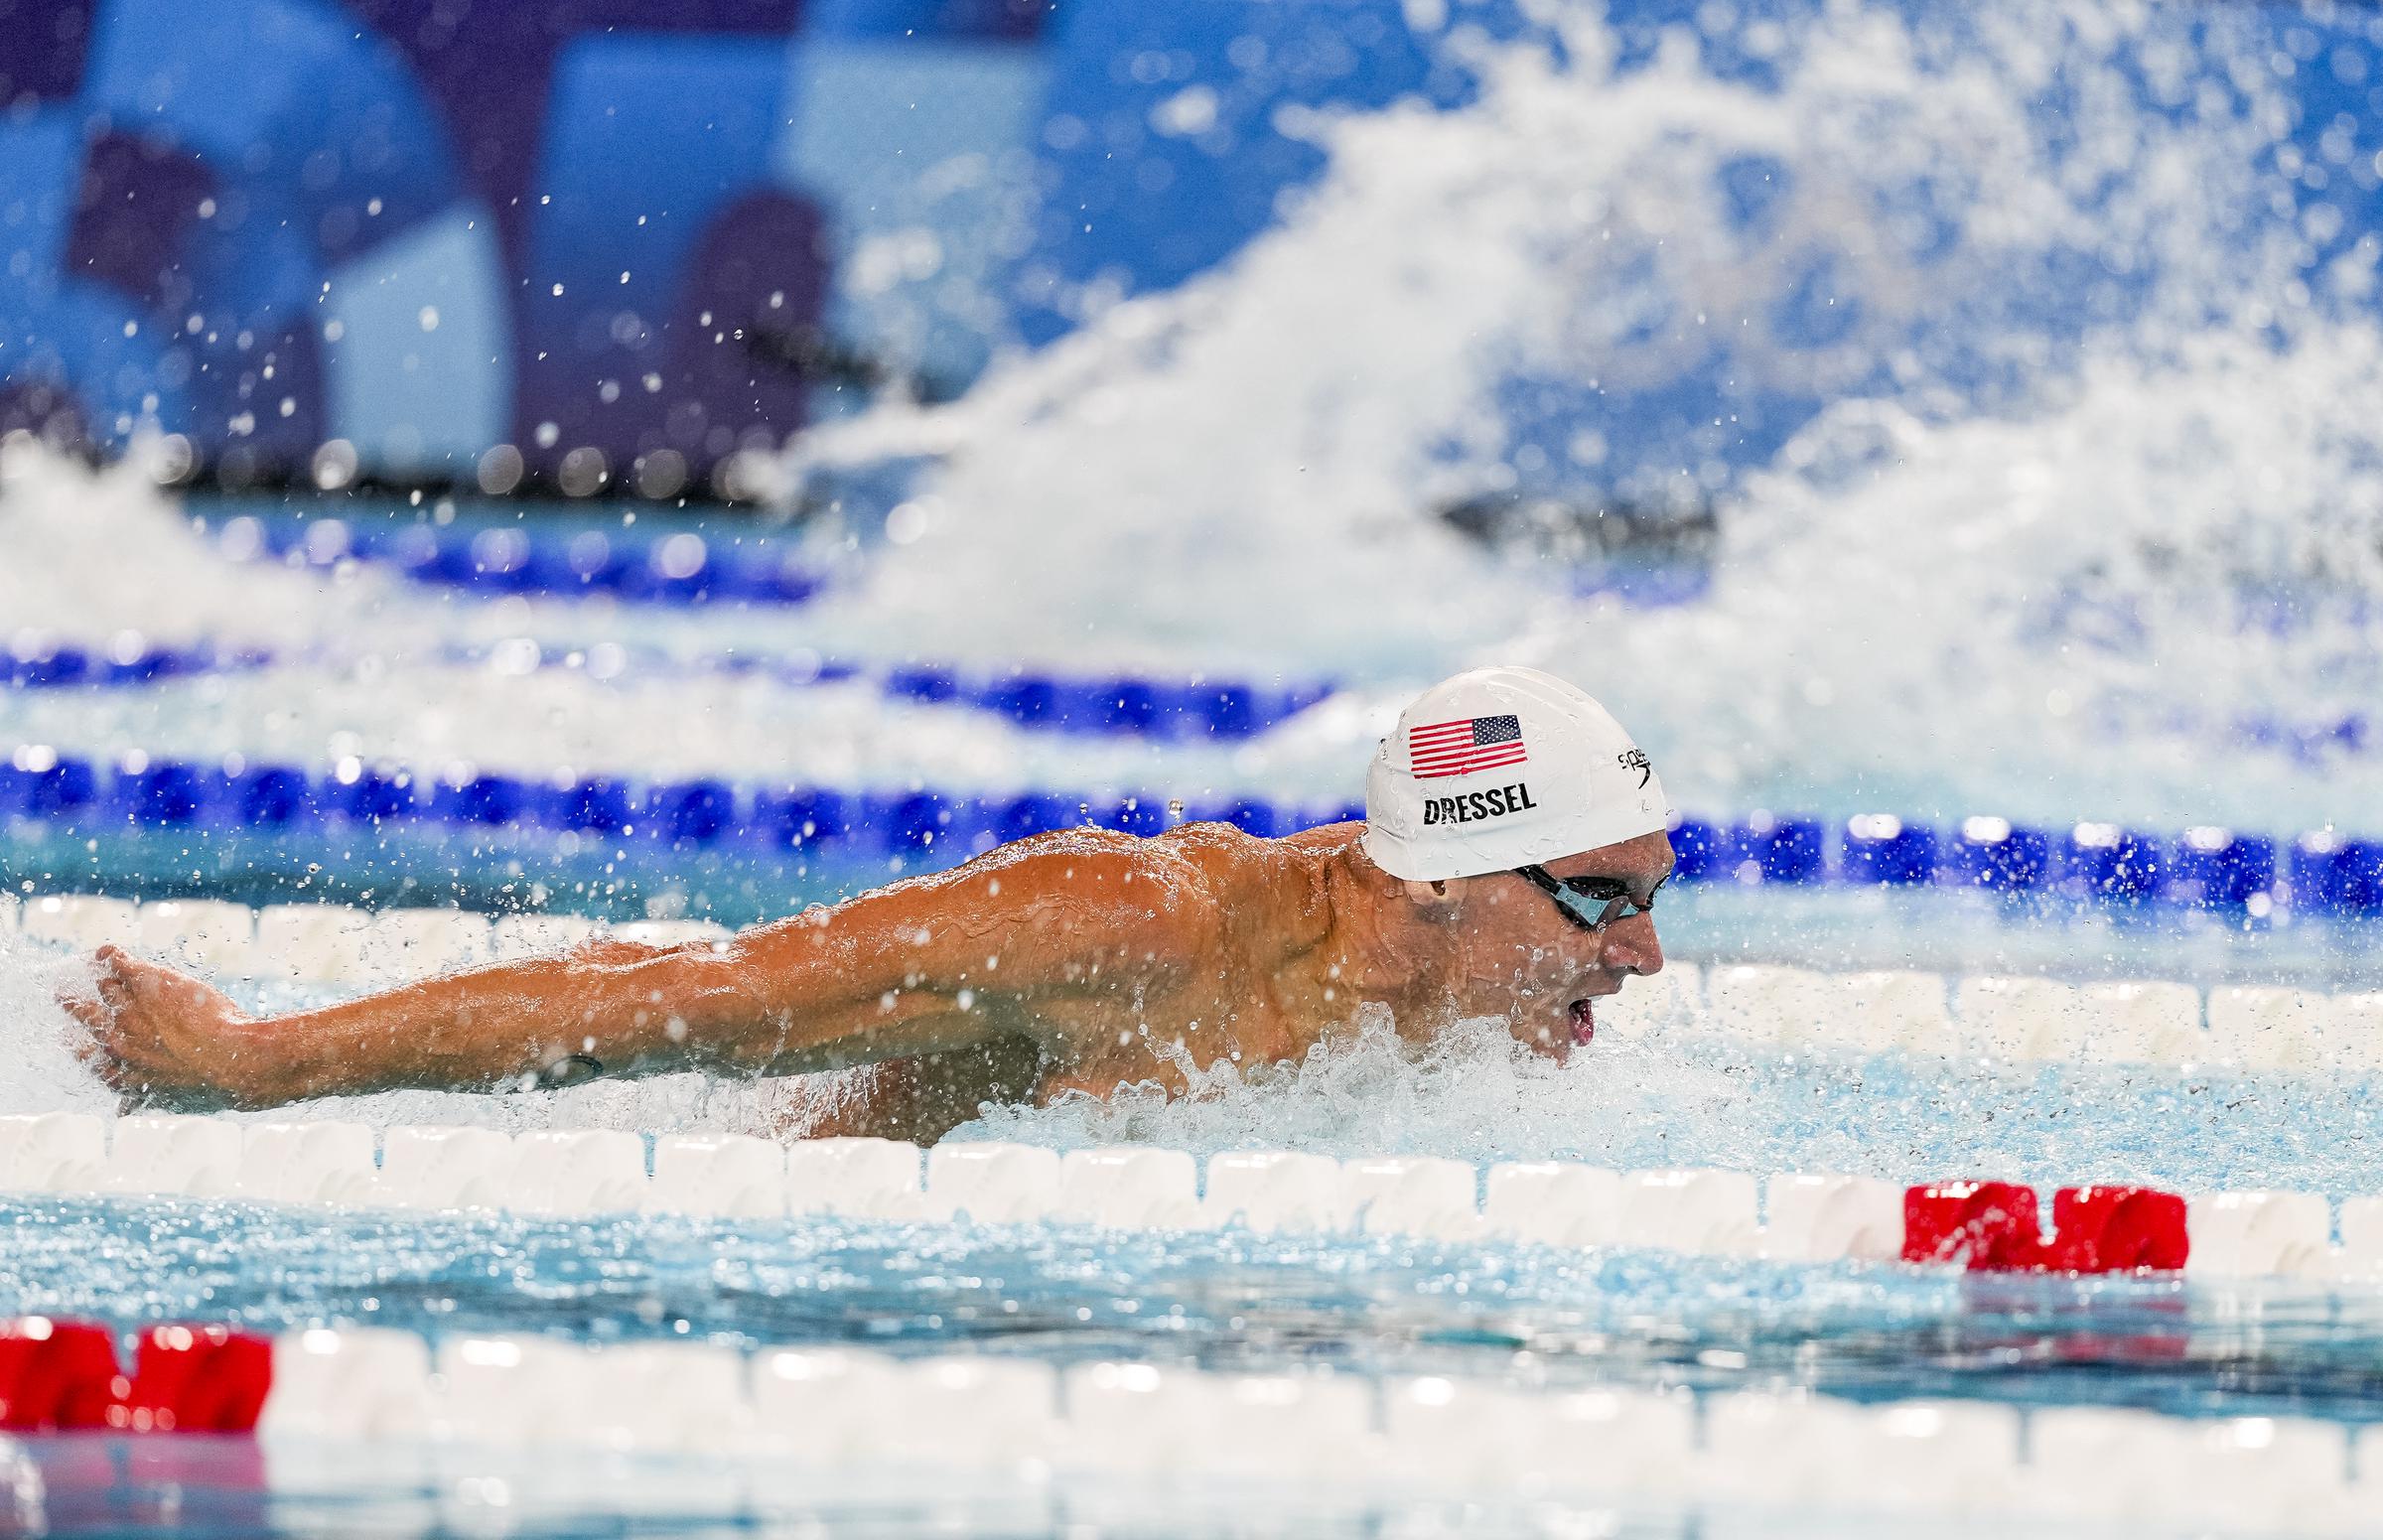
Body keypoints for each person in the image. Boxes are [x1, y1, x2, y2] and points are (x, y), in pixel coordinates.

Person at [64, 666, 1673, 1143]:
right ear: (1446, 880)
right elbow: (675, 1003)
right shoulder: (1132, 928)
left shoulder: (1472, 997)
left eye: (1655, 899)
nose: (1647, 956)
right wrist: (257, 1062)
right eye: (1604, 904)